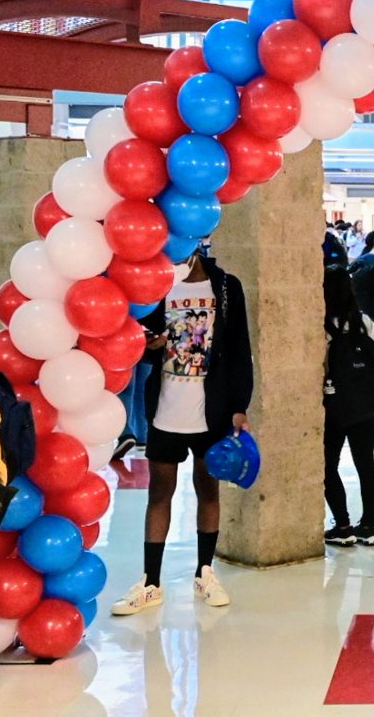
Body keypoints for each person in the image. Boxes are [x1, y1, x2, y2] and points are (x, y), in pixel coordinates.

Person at [112, 250, 252, 616]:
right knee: (159, 494)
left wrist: (240, 406)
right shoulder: (156, 287)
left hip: (212, 411)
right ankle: (151, 582)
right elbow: (138, 341)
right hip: (166, 411)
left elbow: (240, 349)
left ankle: (205, 572)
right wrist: (150, 346)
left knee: (208, 490)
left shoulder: (225, 287)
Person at [322, 265, 374, 547]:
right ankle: (368, 526)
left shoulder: (322, 326)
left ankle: (343, 525)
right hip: (367, 403)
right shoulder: (365, 322)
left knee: (328, 465)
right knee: (366, 462)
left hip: (334, 404)